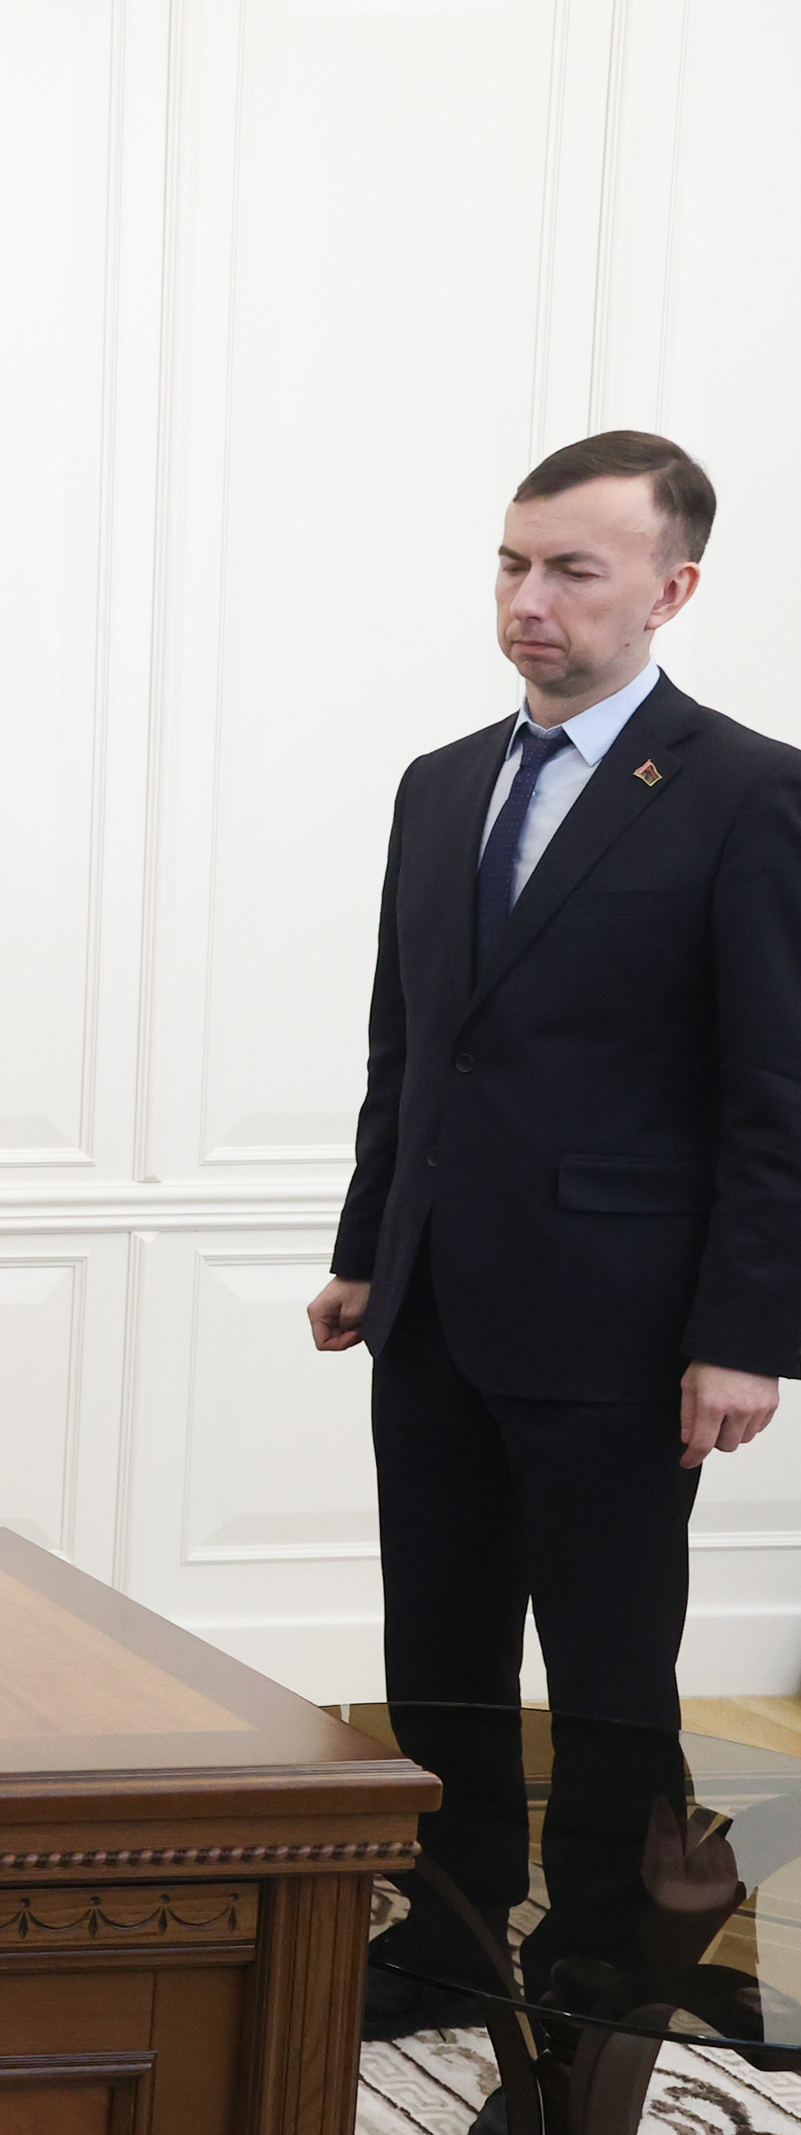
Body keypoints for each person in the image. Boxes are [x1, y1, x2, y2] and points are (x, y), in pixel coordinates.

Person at [310, 430, 801, 2042]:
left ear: (671, 589)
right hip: (436, 1303)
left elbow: (777, 1090)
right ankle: (451, 1939)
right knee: (439, 1650)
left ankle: (597, 1979)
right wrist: (369, 1249)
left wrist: (745, 1332)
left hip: (625, 1325)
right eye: (514, 564)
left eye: (574, 571)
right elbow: (409, 1048)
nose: (531, 600)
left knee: (605, 1674)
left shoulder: (748, 792)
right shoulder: (441, 784)